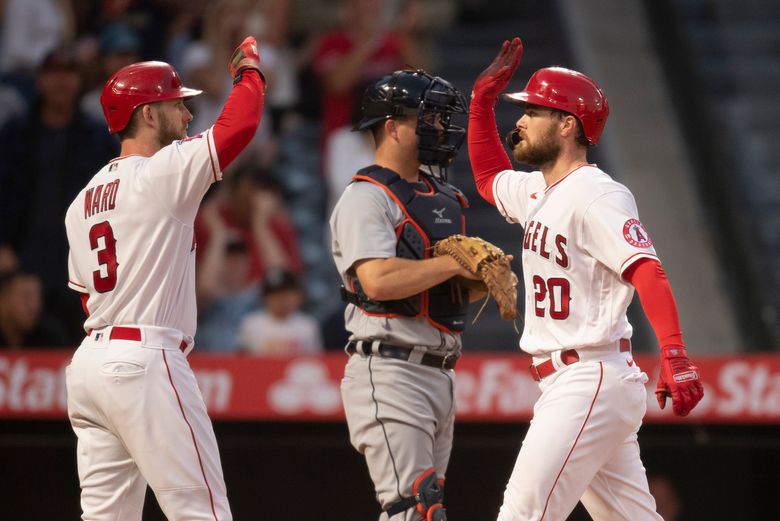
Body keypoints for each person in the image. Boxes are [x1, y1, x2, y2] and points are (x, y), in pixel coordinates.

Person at [467, 37, 704, 520]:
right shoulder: (540, 189)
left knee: (521, 513)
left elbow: (646, 270)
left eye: (534, 111)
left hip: (588, 375)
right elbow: (490, 178)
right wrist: (481, 103)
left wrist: (674, 353)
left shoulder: (598, 193)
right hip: (579, 381)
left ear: (568, 124)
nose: (522, 121)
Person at [63, 36, 265, 520]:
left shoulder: (80, 202)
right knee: (202, 512)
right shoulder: (160, 174)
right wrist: (250, 72)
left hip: (90, 367)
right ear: (148, 114)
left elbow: (88, 302)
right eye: (177, 104)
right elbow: (240, 125)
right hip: (145, 358)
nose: (188, 114)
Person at [330, 69, 478, 521]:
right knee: (413, 508)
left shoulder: (442, 197)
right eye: (427, 118)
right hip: (390, 366)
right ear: (392, 126)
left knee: (424, 506)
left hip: (439, 371)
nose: (438, 128)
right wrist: (454, 262)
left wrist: (481, 278)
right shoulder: (365, 198)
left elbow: (442, 292)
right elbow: (376, 280)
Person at [237, 267, 323, 355]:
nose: (282, 300)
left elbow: (316, 361)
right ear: (265, 298)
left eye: (287, 294)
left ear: (299, 296)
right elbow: (243, 361)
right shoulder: (251, 325)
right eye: (275, 295)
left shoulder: (307, 326)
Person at [0, 270, 69, 348]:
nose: (35, 306)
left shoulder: (52, 338)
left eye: (38, 297)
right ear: (2, 301)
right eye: (26, 297)